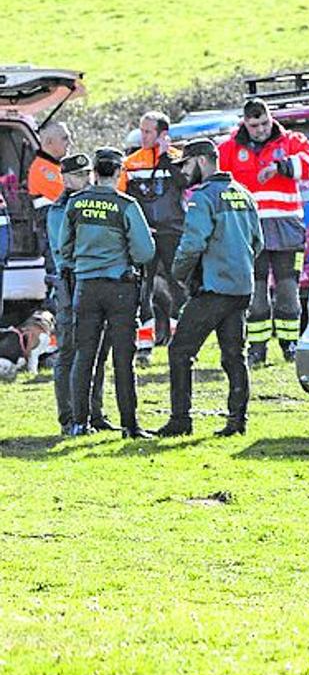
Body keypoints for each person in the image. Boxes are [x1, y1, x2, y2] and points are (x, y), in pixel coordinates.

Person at [155, 140, 263, 438]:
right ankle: (237, 422)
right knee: (233, 356)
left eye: (186, 165)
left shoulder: (203, 198)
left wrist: (178, 273)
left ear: (202, 161)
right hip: (241, 288)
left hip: (213, 289)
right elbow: (258, 243)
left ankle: (180, 420)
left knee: (180, 351)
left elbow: (192, 244)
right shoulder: (244, 194)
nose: (184, 173)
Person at [60, 147, 156, 438]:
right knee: (123, 359)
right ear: (117, 172)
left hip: (86, 287)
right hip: (120, 288)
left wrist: (86, 262)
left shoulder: (75, 204)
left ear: (95, 172)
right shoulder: (126, 205)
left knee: (84, 355)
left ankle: (79, 423)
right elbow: (145, 252)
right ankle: (130, 425)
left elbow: (65, 247)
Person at [219, 98, 309, 367]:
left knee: (288, 289)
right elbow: (215, 180)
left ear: (269, 117)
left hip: (287, 227)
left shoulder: (291, 140)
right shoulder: (229, 148)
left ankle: (290, 345)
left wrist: (281, 166)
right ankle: (257, 349)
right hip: (250, 230)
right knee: (256, 291)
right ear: (245, 123)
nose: (261, 129)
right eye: (254, 125)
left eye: (264, 122)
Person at [47, 153, 113, 433]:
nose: (86, 180)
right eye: (79, 176)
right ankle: (69, 416)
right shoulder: (59, 210)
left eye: (88, 174)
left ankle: (93, 413)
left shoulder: (89, 204)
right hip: (71, 284)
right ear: (65, 178)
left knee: (96, 352)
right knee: (69, 353)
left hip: (92, 283)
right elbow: (64, 253)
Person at [119, 111, 186, 366]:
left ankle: (179, 342)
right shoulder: (131, 163)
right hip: (143, 235)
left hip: (173, 233)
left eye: (148, 131)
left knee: (178, 285)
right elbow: (121, 196)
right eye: (142, 130)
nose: (142, 135)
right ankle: (144, 345)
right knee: (142, 287)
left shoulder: (178, 159)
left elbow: (184, 182)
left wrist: (167, 157)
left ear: (162, 134)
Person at [28, 121, 71, 295]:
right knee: (58, 278)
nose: (70, 143)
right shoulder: (43, 170)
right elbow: (70, 194)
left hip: (59, 233)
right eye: (65, 138)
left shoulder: (54, 167)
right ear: (49, 143)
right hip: (53, 234)